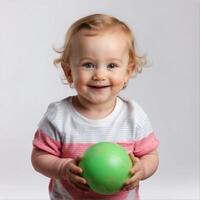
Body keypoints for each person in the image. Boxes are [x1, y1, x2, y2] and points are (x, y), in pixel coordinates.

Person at [31, 13, 159, 200]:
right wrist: (63, 168)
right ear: (69, 73)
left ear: (128, 72)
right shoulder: (58, 116)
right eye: (88, 65)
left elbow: (150, 155)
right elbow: (39, 157)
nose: (99, 74)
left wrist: (144, 168)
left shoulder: (134, 116)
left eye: (112, 65)